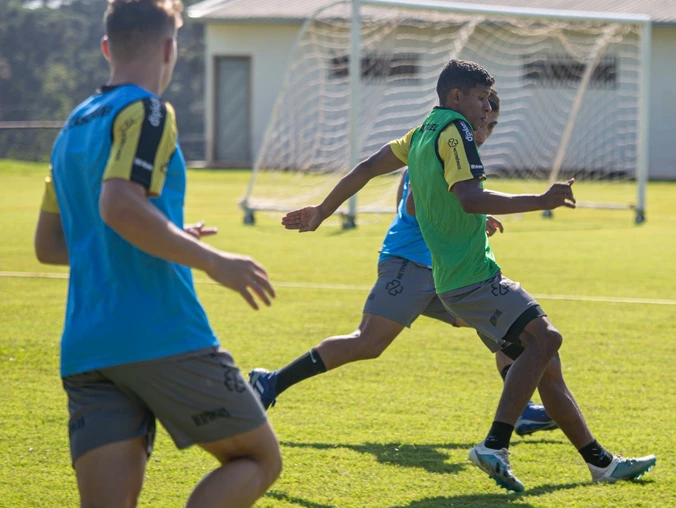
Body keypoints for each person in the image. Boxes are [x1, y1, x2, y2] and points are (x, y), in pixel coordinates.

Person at [33, 1, 281, 506]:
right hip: (159, 333)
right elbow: (119, 204)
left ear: (107, 48)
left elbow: (52, 245)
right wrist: (212, 261)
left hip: (86, 347)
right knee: (257, 459)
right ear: (171, 48)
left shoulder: (71, 128)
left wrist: (168, 235)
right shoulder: (146, 109)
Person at [400, 59, 657, 492]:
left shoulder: (423, 133)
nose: (486, 114)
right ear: (457, 97)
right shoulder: (454, 132)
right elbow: (468, 198)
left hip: (458, 282)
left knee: (546, 366)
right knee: (547, 339)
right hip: (473, 279)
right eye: (483, 102)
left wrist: (323, 211)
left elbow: (410, 204)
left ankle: (601, 463)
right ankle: (495, 445)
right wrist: (541, 199)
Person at [252, 88, 558, 437]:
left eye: (492, 125)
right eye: (482, 122)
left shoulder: (447, 148)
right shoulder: (442, 145)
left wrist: (466, 219)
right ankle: (272, 382)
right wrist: (465, 213)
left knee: (498, 326)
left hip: (445, 270)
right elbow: (414, 204)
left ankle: (518, 412)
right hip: (409, 263)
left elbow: (413, 196)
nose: (484, 132)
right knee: (368, 342)